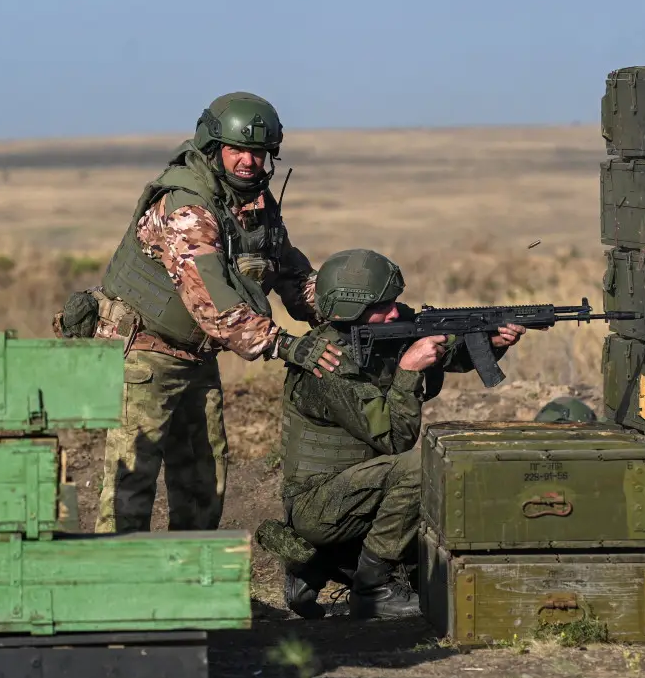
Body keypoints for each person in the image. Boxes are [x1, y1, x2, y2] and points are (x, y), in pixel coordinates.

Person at [62, 92, 343, 535]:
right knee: (130, 484)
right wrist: (285, 345)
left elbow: (291, 276)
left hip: (195, 358)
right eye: (238, 150)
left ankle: (193, 590)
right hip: (144, 355)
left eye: (258, 153)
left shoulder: (254, 206)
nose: (249, 162)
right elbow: (214, 308)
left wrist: (353, 308)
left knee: (202, 483)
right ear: (214, 148)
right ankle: (115, 593)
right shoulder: (187, 207)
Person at [276, 248, 527, 620]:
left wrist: (489, 342)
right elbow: (395, 439)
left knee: (427, 557)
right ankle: (372, 590)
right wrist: (409, 369)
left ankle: (317, 567)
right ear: (350, 310)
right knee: (423, 464)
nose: (395, 312)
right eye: (383, 306)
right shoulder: (327, 364)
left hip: (358, 492)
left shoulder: (382, 330)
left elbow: (445, 350)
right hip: (319, 506)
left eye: (394, 301)